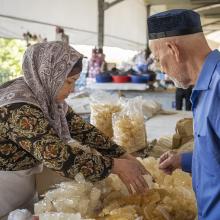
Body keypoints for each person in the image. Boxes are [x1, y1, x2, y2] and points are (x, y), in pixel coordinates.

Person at [0, 41, 149, 218]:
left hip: (21, 184)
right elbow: (58, 157)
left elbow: (84, 131)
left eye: (75, 82)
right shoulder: (19, 108)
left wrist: (123, 155)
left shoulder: (45, 97)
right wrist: (115, 166)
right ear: (49, 75)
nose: (72, 90)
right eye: (69, 82)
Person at [148, 9, 220, 219]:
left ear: (173, 49)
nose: (161, 69)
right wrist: (184, 161)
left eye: (158, 58)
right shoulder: (204, 87)